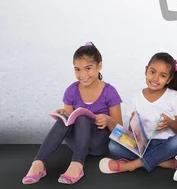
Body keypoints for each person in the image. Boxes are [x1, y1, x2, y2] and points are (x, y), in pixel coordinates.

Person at [22, 42, 123, 185]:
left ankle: (77, 165)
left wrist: (108, 120)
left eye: (88, 68)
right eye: (77, 69)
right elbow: (68, 123)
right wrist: (63, 114)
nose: (82, 75)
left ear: (99, 66)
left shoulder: (109, 92)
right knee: (64, 119)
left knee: (82, 116)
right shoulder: (72, 90)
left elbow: (120, 131)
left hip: (97, 143)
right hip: (77, 143)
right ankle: (38, 163)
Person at [99, 52, 177, 174]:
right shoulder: (136, 97)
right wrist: (133, 125)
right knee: (113, 146)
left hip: (165, 144)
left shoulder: (174, 97)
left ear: (169, 79)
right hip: (144, 146)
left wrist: (170, 123)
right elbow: (131, 134)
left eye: (162, 76)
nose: (155, 79)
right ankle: (163, 162)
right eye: (152, 72)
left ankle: (131, 165)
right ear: (146, 70)